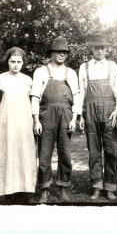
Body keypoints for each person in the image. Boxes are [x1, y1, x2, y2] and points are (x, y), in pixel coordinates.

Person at [31, 36, 80, 203]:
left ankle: (63, 187)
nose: (62, 54)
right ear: (51, 53)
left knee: (65, 153)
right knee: (44, 153)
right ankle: (44, 188)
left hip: (66, 115)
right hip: (46, 115)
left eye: (64, 52)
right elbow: (35, 96)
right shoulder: (41, 71)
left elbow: (76, 96)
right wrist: (36, 120)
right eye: (58, 51)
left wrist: (74, 118)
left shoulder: (71, 73)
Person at [78, 34, 117, 201]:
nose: (100, 51)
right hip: (90, 111)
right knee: (94, 151)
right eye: (97, 48)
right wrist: (81, 115)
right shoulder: (84, 67)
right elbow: (81, 92)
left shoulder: (112, 66)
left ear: (106, 49)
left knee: (111, 151)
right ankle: (96, 186)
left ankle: (110, 187)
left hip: (109, 111)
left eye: (103, 48)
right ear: (92, 49)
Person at [0, 47, 37, 203]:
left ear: (23, 63)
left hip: (24, 121)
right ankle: (6, 190)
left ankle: (26, 189)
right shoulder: (1, 78)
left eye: (19, 62)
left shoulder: (28, 80)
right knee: (6, 153)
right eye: (12, 61)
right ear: (7, 61)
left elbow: (33, 101)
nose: (15, 65)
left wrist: (35, 122)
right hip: (6, 121)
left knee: (24, 153)